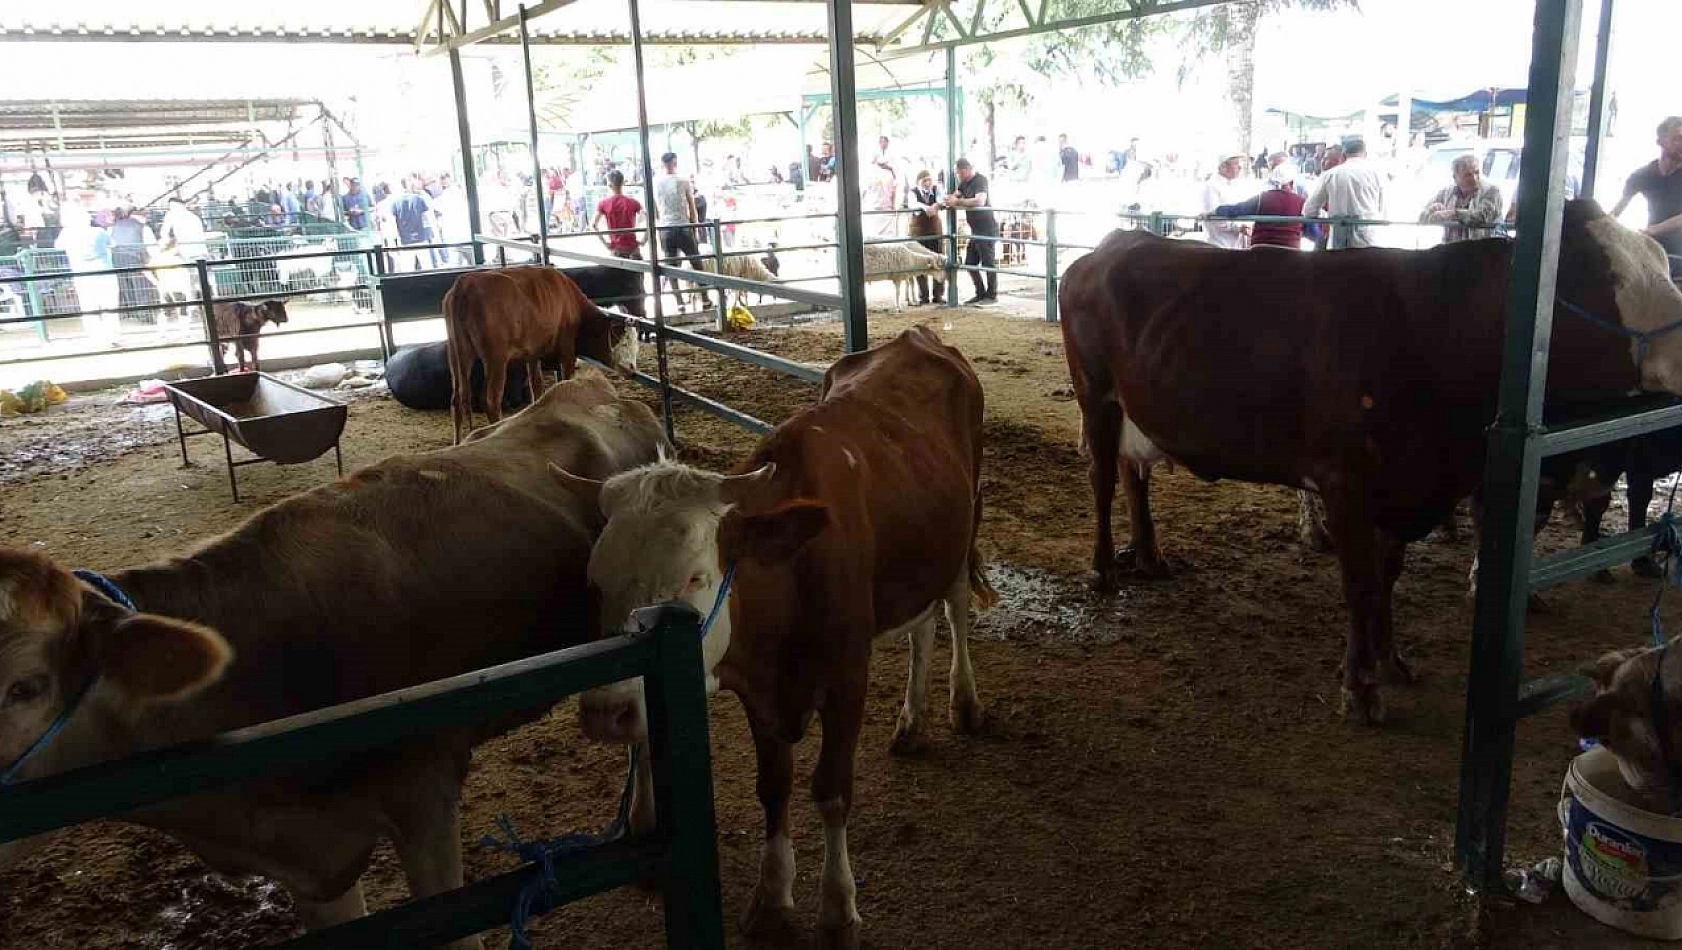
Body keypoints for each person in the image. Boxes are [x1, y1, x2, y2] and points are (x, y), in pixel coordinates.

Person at [1611, 115, 1682, 279]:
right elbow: (1616, 212)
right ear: (1661, 141)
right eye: (1678, 138)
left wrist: (1652, 230)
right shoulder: (1642, 175)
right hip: (1654, 253)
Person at [56, 203, 121, 347]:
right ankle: (113, 337)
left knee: (89, 308)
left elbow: (58, 246)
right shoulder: (98, 232)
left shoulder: (66, 234)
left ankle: (97, 339)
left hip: (82, 276)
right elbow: (113, 244)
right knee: (109, 307)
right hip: (105, 273)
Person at [1302, 138, 1385, 249]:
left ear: (1344, 154)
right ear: (1365, 154)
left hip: (1339, 242)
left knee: (1338, 265)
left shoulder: (1331, 174)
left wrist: (1325, 217)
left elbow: (1309, 211)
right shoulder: (1377, 174)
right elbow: (1382, 211)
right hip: (1369, 241)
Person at [941, 158, 998, 305]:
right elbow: (955, 195)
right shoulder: (964, 183)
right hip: (975, 229)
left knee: (988, 263)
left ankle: (991, 295)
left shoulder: (980, 180)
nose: (958, 176)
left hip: (986, 228)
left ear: (965, 170)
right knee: (970, 262)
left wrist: (957, 202)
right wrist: (947, 200)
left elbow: (980, 201)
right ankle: (980, 293)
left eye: (958, 173)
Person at [1214, 162, 1307, 249]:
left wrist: (1215, 211)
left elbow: (1237, 210)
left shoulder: (1261, 198)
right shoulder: (1301, 202)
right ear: (1292, 183)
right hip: (1290, 252)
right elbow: (1312, 232)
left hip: (1260, 250)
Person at [654, 151, 702, 313]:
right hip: (683, 226)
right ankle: (706, 297)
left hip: (666, 228)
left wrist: (659, 224)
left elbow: (654, 208)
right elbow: (691, 206)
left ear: (663, 164)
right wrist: (695, 227)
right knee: (697, 262)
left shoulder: (656, 182)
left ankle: (680, 302)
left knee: (671, 266)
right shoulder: (683, 181)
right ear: (675, 163)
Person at [1420, 153, 1505, 243]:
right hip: (1452, 250)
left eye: (1477, 172)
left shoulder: (1492, 191)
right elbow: (1422, 217)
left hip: (1484, 251)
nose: (1474, 178)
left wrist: (1453, 213)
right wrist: (1432, 211)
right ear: (1455, 178)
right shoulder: (1446, 192)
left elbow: (1482, 216)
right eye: (1468, 175)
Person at [1200, 151, 1253, 249]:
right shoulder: (1211, 186)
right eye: (1236, 163)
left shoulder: (1237, 185)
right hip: (1219, 244)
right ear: (1223, 167)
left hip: (1237, 244)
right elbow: (1214, 216)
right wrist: (1238, 227)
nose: (1240, 167)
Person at [908, 169, 946, 306]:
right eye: (924, 180)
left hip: (935, 231)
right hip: (918, 232)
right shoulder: (913, 193)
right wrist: (926, 207)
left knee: (938, 260)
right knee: (920, 262)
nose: (928, 183)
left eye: (929, 180)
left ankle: (938, 295)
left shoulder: (936, 190)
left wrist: (937, 204)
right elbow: (913, 204)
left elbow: (942, 201)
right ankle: (923, 295)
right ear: (918, 182)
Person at [592, 169, 645, 261]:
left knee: (617, 275)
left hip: (616, 250)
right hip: (633, 249)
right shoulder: (633, 202)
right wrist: (644, 240)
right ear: (623, 182)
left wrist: (605, 243)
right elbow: (647, 219)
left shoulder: (603, 203)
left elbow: (593, 225)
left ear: (609, 185)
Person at [388, 178, 437, 272]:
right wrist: (431, 232)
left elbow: (392, 223)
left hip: (405, 240)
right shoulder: (418, 199)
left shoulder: (395, 202)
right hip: (421, 237)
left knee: (407, 269)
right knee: (427, 267)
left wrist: (393, 241)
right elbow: (426, 217)